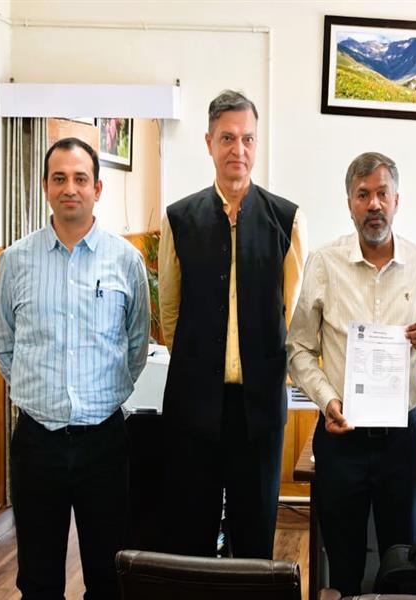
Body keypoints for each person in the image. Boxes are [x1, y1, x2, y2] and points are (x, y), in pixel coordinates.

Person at [0, 137, 150, 599]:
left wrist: (105, 394)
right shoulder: (15, 261)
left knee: (107, 578)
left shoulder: (126, 260)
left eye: (81, 178)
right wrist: (39, 394)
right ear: (45, 186)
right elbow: (4, 347)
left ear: (97, 189)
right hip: (36, 443)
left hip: (105, 443)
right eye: (59, 178)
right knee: (37, 580)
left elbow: (136, 345)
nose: (70, 188)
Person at [287, 151, 416, 595]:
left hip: (404, 439)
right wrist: (327, 400)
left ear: (397, 200)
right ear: (350, 204)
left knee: (402, 561)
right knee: (343, 563)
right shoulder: (323, 262)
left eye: (382, 193)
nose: (374, 204)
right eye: (363, 195)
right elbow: (299, 348)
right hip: (342, 436)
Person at [158, 90, 307, 558]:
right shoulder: (179, 219)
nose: (237, 149)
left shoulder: (286, 219)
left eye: (247, 139)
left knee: (255, 535)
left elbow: (293, 314)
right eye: (227, 138)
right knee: (190, 533)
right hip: (194, 404)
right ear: (209, 142)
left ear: (256, 144)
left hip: (259, 407)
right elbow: (169, 312)